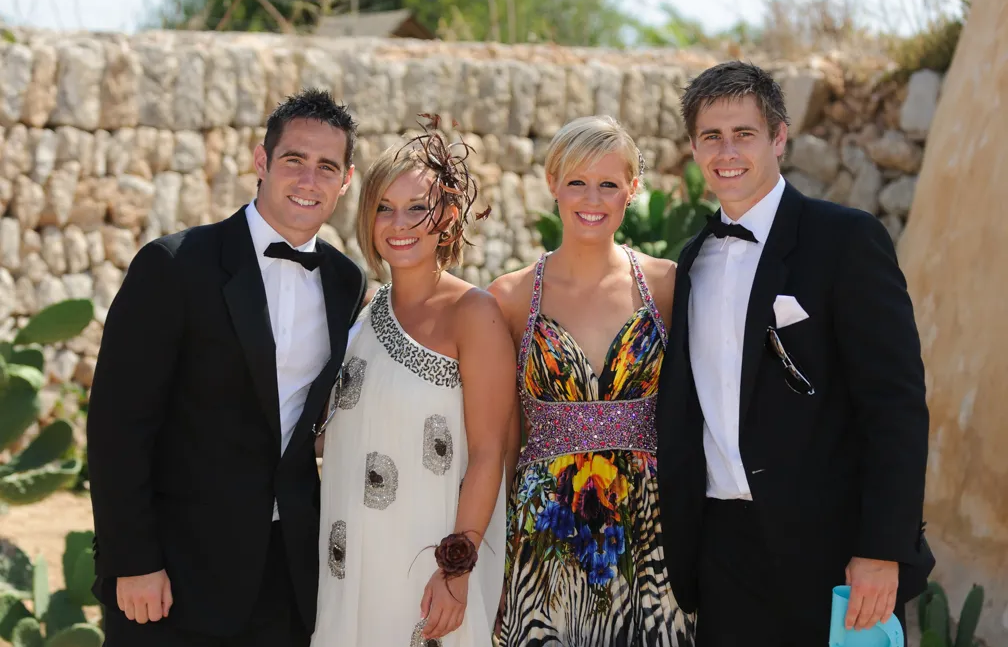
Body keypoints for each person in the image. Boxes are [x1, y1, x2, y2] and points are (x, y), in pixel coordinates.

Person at [653, 60, 935, 646]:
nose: (727, 151)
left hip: (833, 554)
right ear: (694, 148)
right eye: (711, 136)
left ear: (779, 137)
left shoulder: (846, 240)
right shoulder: (692, 260)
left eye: (744, 134)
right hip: (722, 554)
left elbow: (895, 406)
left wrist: (883, 549)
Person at [86, 88, 367, 647]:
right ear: (261, 162)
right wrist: (132, 559)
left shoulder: (345, 282)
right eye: (294, 160)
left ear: (346, 180)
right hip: (173, 572)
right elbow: (118, 426)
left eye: (326, 167)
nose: (308, 180)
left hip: (286, 576)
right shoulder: (174, 266)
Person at [490, 115, 696, 647]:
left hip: (651, 535)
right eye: (577, 181)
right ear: (552, 184)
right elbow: (502, 436)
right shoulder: (510, 298)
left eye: (609, 183)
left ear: (633, 190)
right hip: (544, 535)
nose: (592, 198)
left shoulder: (667, 285)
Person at [309, 119, 514, 647]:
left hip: (429, 567)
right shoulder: (361, 315)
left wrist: (455, 571)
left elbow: (490, 454)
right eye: (383, 207)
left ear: (446, 215)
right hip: (350, 558)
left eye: (416, 208)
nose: (398, 223)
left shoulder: (475, 313)